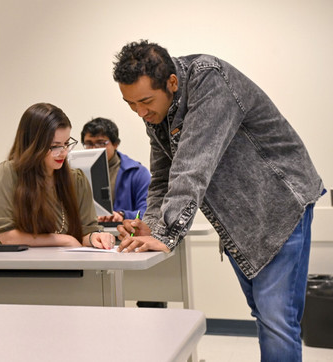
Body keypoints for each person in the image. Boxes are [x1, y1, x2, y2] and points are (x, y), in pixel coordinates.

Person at [112, 40, 325, 360]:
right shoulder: (159, 111)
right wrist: (153, 228)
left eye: (145, 101)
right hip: (240, 217)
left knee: (277, 322)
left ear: (171, 82)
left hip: (279, 205)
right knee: (266, 316)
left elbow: (191, 167)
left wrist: (167, 234)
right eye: (130, 104)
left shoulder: (209, 81)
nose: (140, 112)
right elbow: (162, 179)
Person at [0, 102, 115, 249]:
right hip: (18, 267)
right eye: (55, 146)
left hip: (66, 268)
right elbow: (8, 237)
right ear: (33, 145)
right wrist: (64, 240)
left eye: (66, 143)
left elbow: (86, 233)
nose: (63, 152)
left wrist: (95, 237)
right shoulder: (8, 174)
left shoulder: (76, 180)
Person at [81, 117, 150, 223]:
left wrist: (123, 215)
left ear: (115, 144)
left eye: (101, 143)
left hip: (124, 234)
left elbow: (147, 212)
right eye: (89, 144)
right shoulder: (78, 173)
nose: (94, 149)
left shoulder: (138, 173)